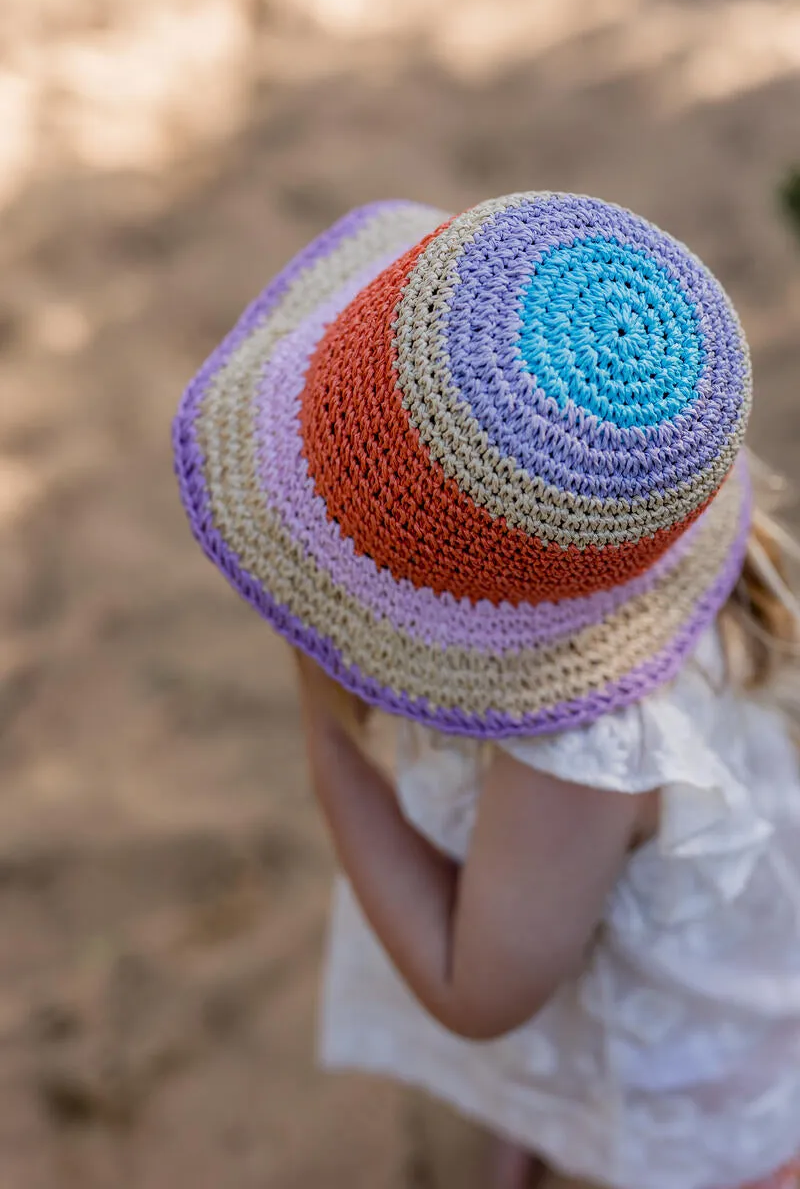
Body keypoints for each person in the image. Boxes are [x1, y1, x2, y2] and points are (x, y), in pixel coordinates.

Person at [173, 192, 800, 1189]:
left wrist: (328, 744)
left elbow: (476, 990)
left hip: (681, 1106)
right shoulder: (632, 501)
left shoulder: (582, 760)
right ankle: (545, 1113)